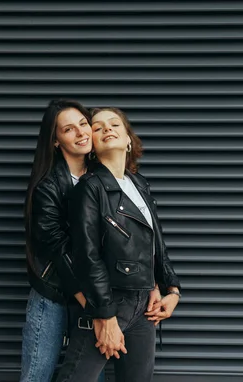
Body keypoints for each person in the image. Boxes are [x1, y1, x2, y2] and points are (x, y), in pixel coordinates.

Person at [55, 107, 182, 382]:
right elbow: (86, 255)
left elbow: (156, 242)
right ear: (93, 146)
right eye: (98, 128)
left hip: (145, 305)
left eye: (114, 125)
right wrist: (105, 315)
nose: (107, 129)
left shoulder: (139, 185)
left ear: (128, 141)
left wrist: (171, 289)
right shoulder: (88, 189)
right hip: (111, 300)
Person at [21, 100, 106, 382]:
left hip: (93, 293)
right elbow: (58, 250)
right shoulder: (48, 185)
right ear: (56, 141)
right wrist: (89, 300)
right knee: (37, 375)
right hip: (54, 291)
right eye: (69, 129)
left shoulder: (102, 177)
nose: (81, 133)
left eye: (84, 124)